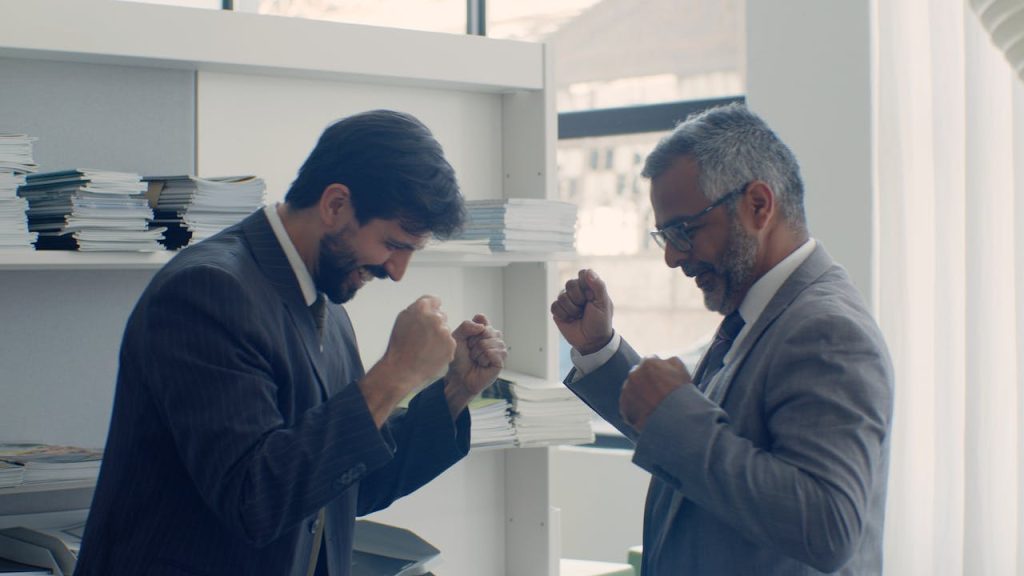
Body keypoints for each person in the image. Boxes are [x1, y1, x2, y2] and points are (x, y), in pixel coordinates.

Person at [76, 109, 508, 576]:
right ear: (336, 205)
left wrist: (452, 393)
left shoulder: (326, 303)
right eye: (393, 243)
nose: (398, 271)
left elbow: (342, 485)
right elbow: (254, 499)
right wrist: (397, 370)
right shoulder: (205, 292)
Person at [551, 103, 893, 575]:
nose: (672, 257)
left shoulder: (827, 331)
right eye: (664, 236)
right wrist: (602, 351)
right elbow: (695, 440)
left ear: (758, 205)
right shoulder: (759, 312)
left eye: (684, 231)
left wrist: (674, 411)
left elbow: (828, 525)